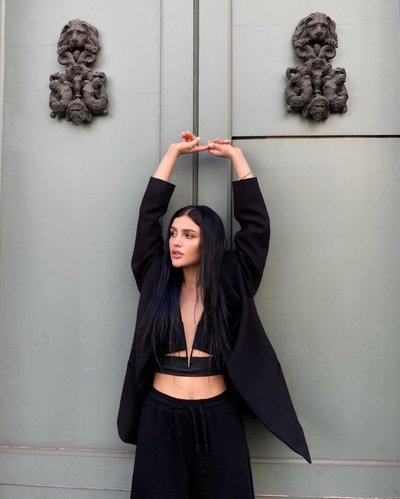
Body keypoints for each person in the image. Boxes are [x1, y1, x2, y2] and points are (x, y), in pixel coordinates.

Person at [118, 132, 311, 499]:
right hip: (160, 416)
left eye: (188, 235)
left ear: (208, 241)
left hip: (218, 417)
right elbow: (147, 220)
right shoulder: (155, 277)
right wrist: (172, 154)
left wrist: (237, 158)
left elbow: (257, 228)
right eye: (173, 233)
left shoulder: (233, 279)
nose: (176, 242)